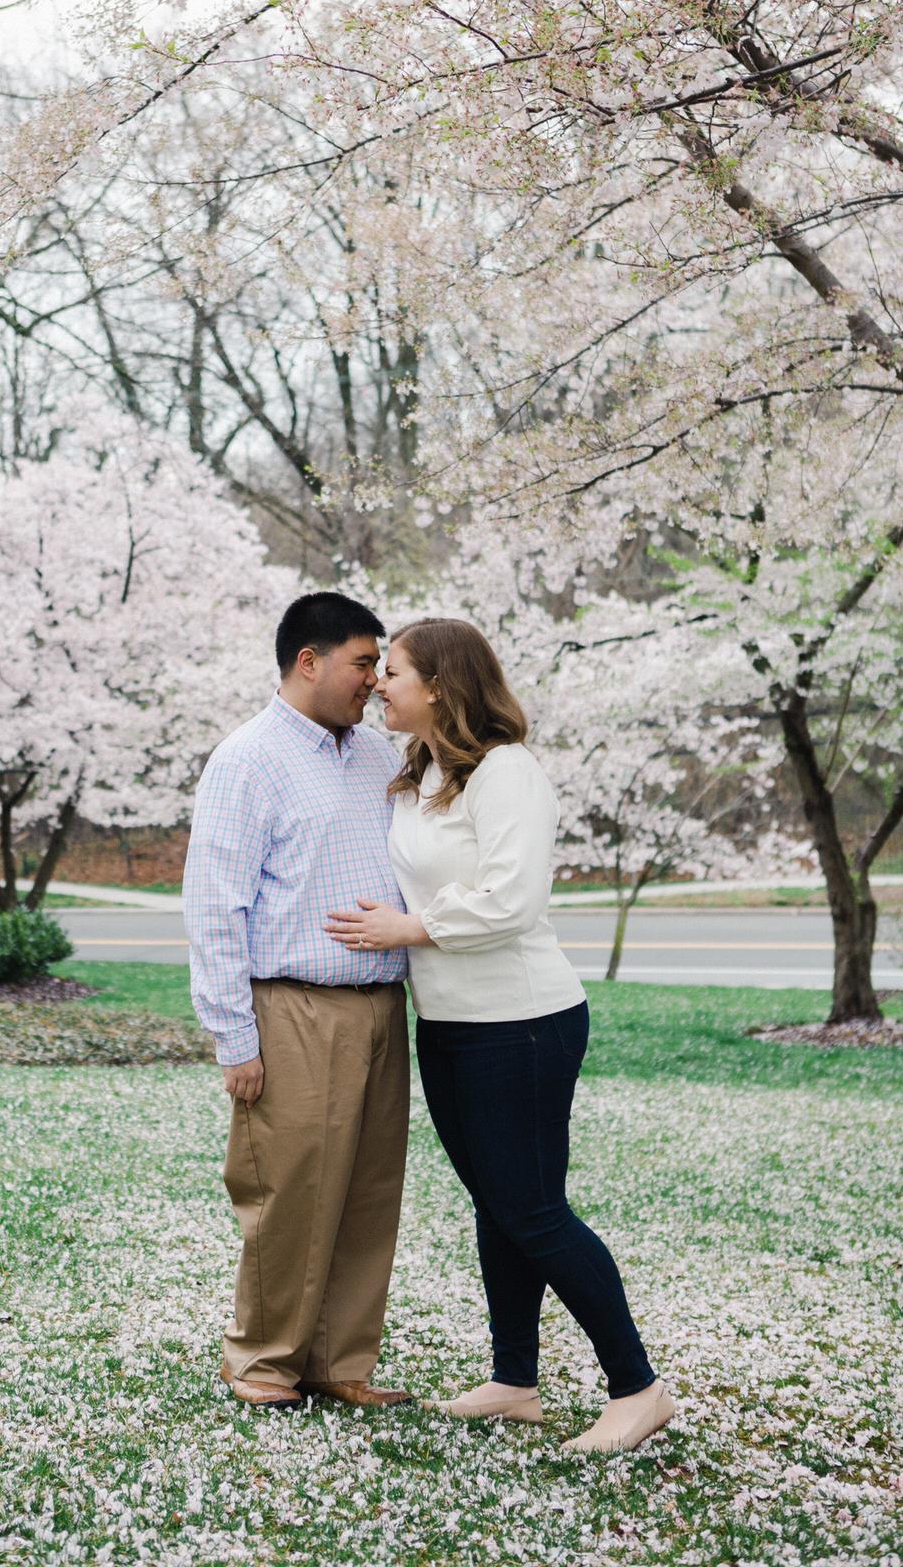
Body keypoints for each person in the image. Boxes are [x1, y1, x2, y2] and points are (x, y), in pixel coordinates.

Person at [326, 617, 675, 1455]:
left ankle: (639, 1388)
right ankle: (516, 1378)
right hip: (448, 1023)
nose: (378, 682)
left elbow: (512, 900)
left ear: (442, 684)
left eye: (394, 671)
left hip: (521, 1022)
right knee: (500, 1207)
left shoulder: (507, 772)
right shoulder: (421, 772)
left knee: (535, 1210)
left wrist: (409, 929)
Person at [182, 591, 413, 1410]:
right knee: (289, 1190)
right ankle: (264, 1362)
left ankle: (340, 1362)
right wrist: (234, 1038)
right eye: (362, 663)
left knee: (368, 1191)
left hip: (383, 1008)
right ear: (308, 662)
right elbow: (216, 904)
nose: (376, 681)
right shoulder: (248, 760)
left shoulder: (383, 759)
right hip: (292, 1006)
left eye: (381, 665)